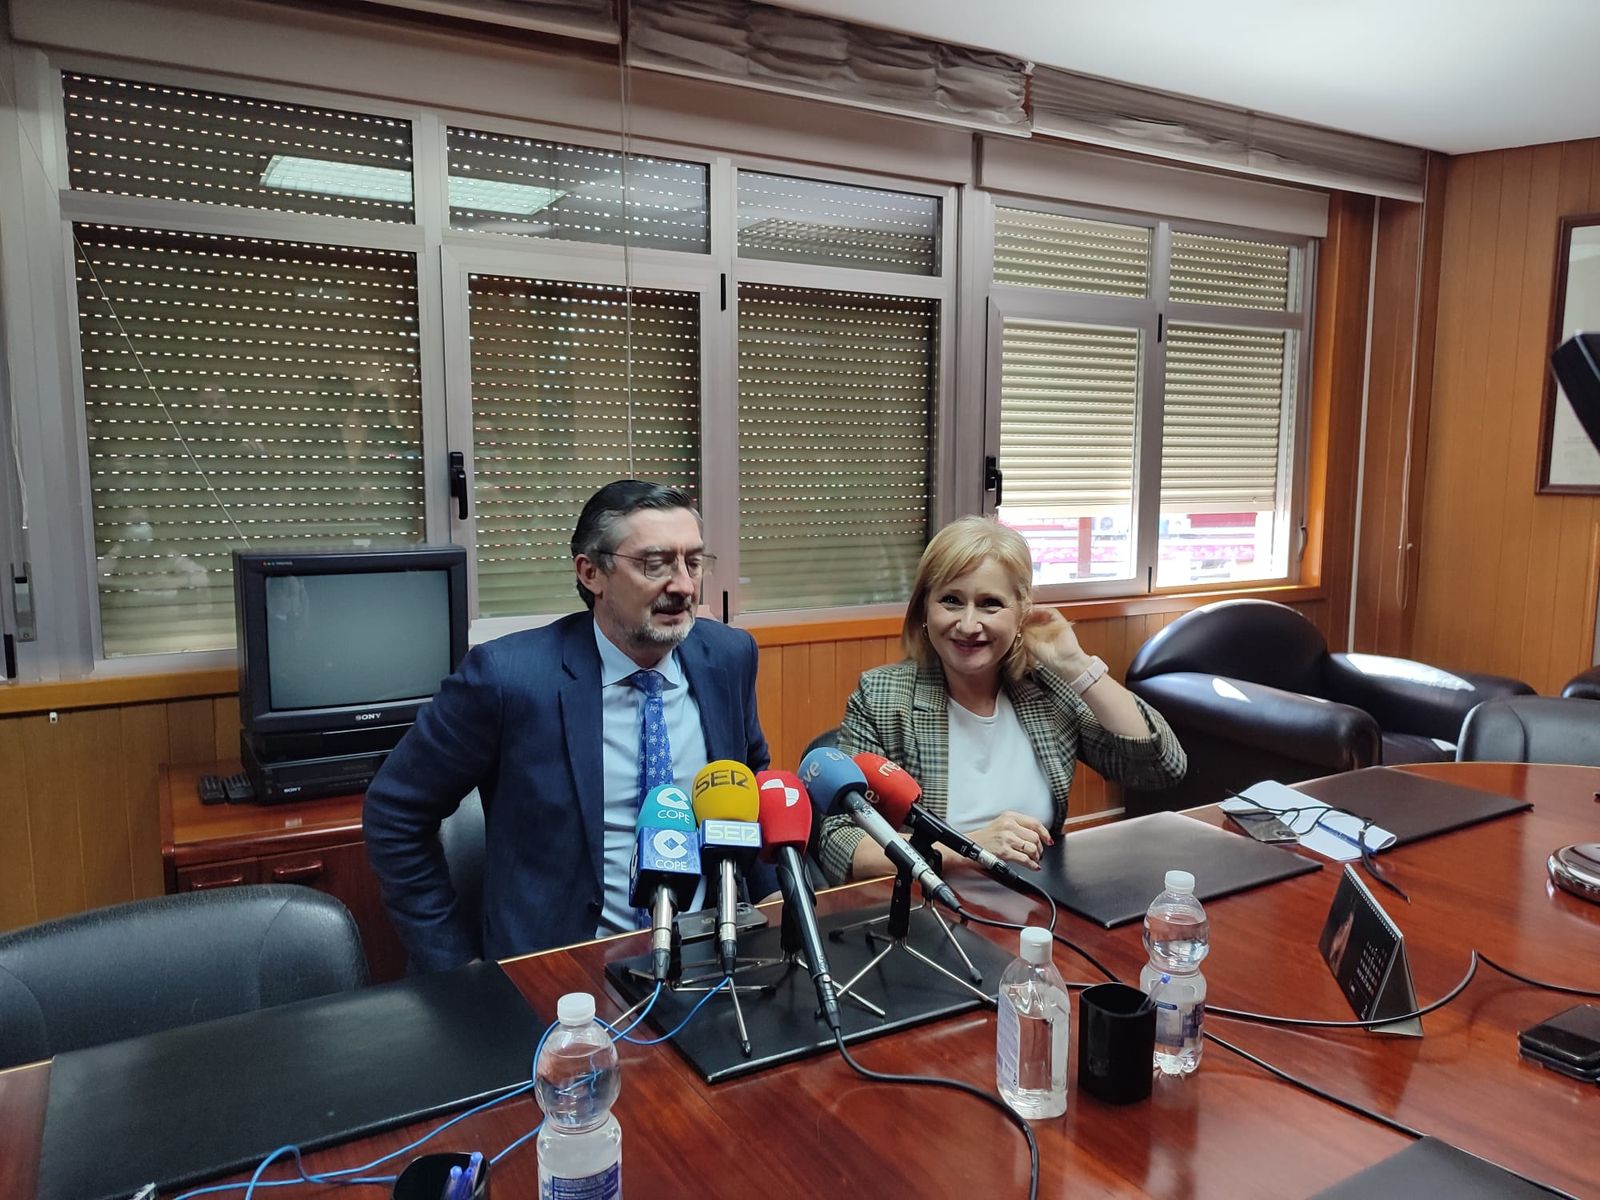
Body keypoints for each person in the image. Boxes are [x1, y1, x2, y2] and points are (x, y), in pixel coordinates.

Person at [365, 480, 772, 972]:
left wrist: (771, 914)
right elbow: (395, 811)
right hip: (565, 972)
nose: (683, 585)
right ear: (591, 572)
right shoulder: (509, 679)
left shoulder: (728, 657)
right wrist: (453, 964)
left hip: (712, 953)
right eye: (655, 563)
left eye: (693, 562)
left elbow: (746, 780)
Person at [817, 516, 1186, 885]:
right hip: (929, 911)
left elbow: (1160, 766)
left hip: (1041, 905)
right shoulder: (882, 697)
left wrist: (1076, 666)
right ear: (924, 610)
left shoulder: (1047, 692)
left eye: (990, 604)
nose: (967, 624)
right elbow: (841, 843)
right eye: (950, 600)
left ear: (1021, 611)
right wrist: (968, 848)